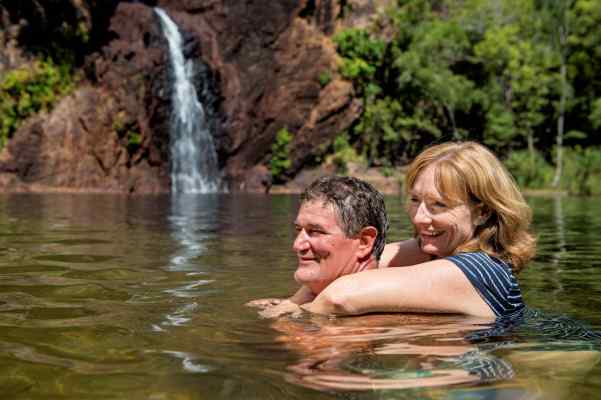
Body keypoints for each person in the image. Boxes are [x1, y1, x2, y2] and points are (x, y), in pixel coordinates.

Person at [300, 141, 536, 318]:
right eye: (415, 200)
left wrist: (291, 319)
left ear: (482, 212)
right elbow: (342, 268)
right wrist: (292, 302)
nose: (420, 217)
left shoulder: (482, 270)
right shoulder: (437, 251)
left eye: (439, 205)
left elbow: (339, 296)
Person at [247, 175, 389, 317]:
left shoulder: (366, 324)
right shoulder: (309, 305)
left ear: (364, 242)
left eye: (315, 231)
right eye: (298, 230)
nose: (297, 245)